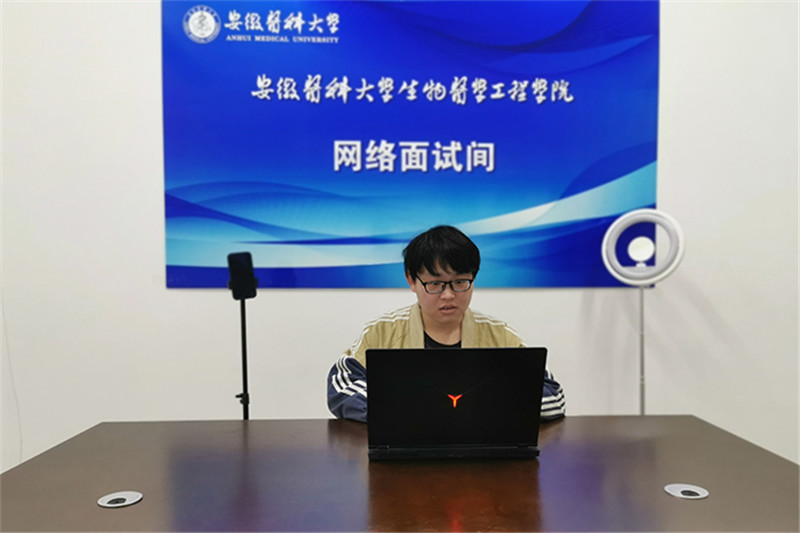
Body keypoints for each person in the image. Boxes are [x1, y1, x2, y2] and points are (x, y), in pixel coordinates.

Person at [326, 225, 566, 423]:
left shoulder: (499, 334)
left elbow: (552, 396)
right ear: (411, 280)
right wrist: (407, 409)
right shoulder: (382, 331)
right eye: (435, 284)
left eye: (460, 282)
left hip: (480, 452)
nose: (448, 295)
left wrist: (481, 406)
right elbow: (342, 386)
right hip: (404, 451)